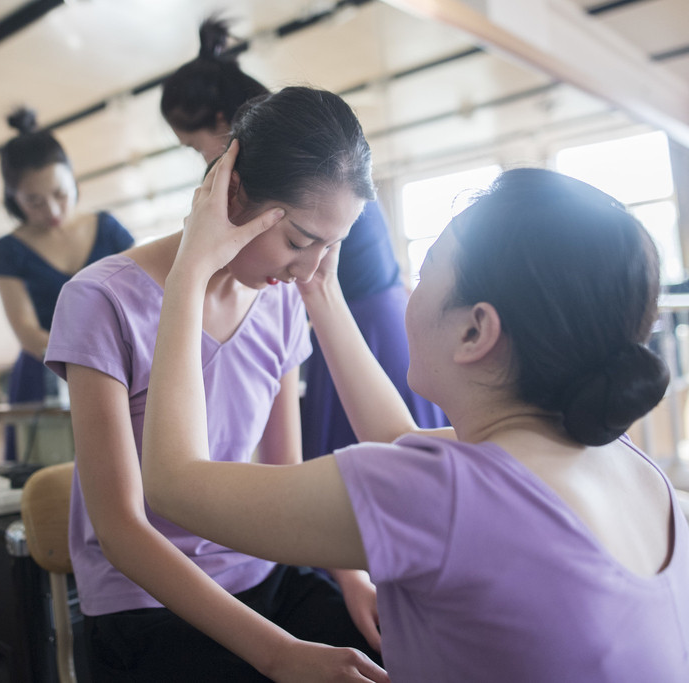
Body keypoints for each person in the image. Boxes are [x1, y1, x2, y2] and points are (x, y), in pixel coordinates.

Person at [140, 161, 687, 682]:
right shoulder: (630, 466)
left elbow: (173, 482)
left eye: (422, 275)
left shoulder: (441, 494)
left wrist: (191, 266)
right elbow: (401, 442)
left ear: (476, 332)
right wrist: (320, 289)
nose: (408, 294)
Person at [46, 87, 385, 681]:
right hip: (150, 597)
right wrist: (279, 654)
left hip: (260, 569)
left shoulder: (280, 300)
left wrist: (353, 579)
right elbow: (122, 531)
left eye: (329, 249)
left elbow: (282, 478)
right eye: (300, 241)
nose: (307, 270)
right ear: (232, 195)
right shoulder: (101, 299)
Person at [160, 16, 448, 460]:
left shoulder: (307, 181)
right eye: (299, 243)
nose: (205, 160)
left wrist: (189, 274)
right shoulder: (318, 162)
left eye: (196, 145)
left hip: (360, 326)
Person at [0, 107, 134, 459]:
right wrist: (92, 357)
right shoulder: (8, 249)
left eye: (60, 193)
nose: (52, 211)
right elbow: (26, 331)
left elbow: (145, 297)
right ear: (14, 199)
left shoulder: (108, 229)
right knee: (48, 479)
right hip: (44, 374)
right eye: (34, 202)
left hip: (117, 368)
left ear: (74, 180)